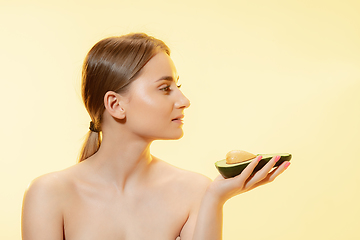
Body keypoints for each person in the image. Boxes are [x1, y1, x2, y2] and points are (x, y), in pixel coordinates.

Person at [21, 33, 291, 240]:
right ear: (116, 105)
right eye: (165, 88)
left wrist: (215, 199)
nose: (184, 100)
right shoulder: (49, 195)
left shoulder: (196, 191)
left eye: (178, 87)